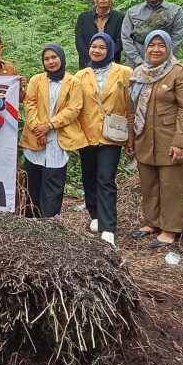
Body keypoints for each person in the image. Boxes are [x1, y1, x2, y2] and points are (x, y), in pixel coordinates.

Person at [127, 30, 183, 248]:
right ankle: (152, 222)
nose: (156, 49)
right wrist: (131, 139)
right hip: (144, 138)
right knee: (149, 183)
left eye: (161, 45)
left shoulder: (178, 72)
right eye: (151, 45)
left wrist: (180, 142)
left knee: (172, 185)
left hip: (171, 139)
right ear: (145, 48)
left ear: (169, 48)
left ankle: (170, 229)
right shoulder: (139, 73)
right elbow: (131, 108)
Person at [74, 34, 134, 246]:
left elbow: (130, 105)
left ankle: (108, 226)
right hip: (87, 133)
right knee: (89, 176)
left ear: (109, 49)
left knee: (105, 179)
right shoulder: (81, 75)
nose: (97, 50)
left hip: (112, 134)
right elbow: (74, 104)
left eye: (101, 47)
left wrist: (131, 136)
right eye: (93, 46)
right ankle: (96, 215)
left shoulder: (125, 72)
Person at [19, 44, 87, 218]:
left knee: (53, 182)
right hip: (35, 137)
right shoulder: (36, 80)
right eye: (46, 58)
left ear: (61, 58)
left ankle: (49, 221)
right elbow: (29, 104)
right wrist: (38, 130)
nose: (51, 61)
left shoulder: (74, 83)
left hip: (58, 137)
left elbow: (73, 109)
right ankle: (31, 220)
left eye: (54, 57)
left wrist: (49, 126)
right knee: (33, 183)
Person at [121, 0, 183, 68]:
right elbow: (126, 38)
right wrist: (139, 61)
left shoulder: (175, 11)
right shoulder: (132, 12)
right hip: (135, 65)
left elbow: (177, 38)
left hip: (163, 66)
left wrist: (162, 61)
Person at [75, 0, 125, 69]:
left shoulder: (120, 18)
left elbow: (120, 42)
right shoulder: (83, 18)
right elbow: (80, 42)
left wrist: (107, 58)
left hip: (112, 65)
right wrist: (91, 59)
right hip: (87, 65)